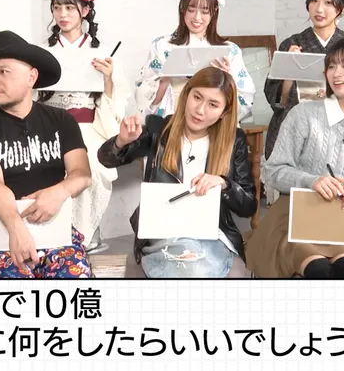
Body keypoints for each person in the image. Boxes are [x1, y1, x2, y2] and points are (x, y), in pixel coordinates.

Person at [246, 38, 344, 279]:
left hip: (343, 225)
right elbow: (272, 172)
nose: (336, 73)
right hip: (293, 220)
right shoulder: (303, 115)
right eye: (331, 66)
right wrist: (311, 181)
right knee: (318, 269)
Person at [98, 67, 256, 278]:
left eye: (213, 105)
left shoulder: (234, 140)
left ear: (224, 112)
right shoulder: (159, 128)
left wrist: (224, 183)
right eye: (197, 97)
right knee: (189, 268)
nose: (200, 110)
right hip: (163, 229)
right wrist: (121, 141)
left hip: (211, 232)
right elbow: (107, 159)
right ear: (186, 94)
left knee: (200, 266)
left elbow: (248, 205)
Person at [0, 30, 94, 278]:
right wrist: (16, 229)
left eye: (4, 71)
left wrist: (59, 192)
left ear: (31, 77)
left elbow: (81, 174)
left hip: (51, 224)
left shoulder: (61, 120)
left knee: (75, 276)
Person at [36, 0, 130, 253]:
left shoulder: (102, 53)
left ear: (85, 11)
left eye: (69, 7)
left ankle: (84, 233)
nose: (62, 14)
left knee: (94, 168)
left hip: (88, 127)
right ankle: (49, 234)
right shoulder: (41, 52)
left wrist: (108, 79)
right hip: (48, 127)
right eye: (57, 7)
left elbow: (116, 102)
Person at [264, 0, 344, 161]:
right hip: (294, 129)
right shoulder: (292, 44)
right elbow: (279, 102)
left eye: (328, 3)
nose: (319, 9)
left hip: (337, 132)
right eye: (314, 1)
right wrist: (290, 68)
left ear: (341, 8)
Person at [135, 0, 255, 123]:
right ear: (182, 9)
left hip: (212, 120)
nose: (197, 18)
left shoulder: (230, 51)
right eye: (191, 10)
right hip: (172, 117)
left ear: (214, 12)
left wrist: (227, 80)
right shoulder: (161, 46)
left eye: (204, 12)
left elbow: (244, 97)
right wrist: (164, 80)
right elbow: (143, 95)